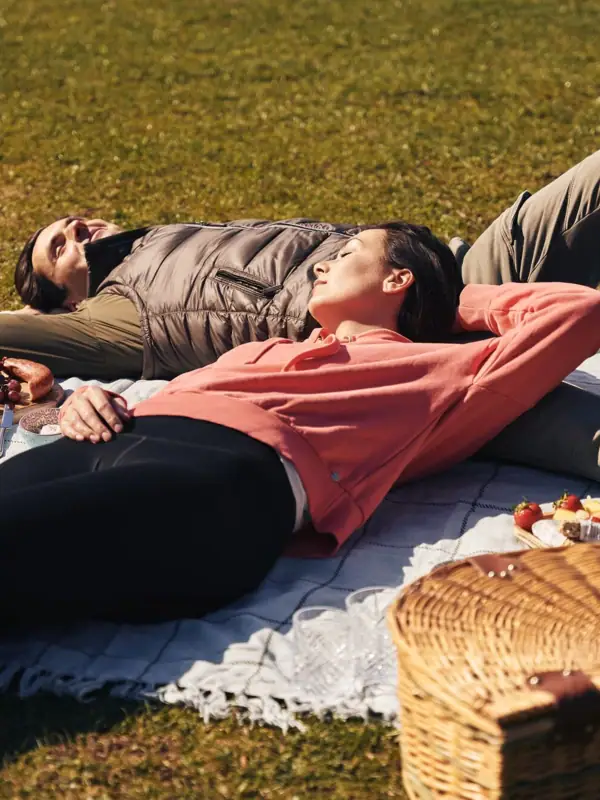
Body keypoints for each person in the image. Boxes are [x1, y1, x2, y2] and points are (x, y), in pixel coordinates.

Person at [1, 221, 600, 629]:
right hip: (114, 436)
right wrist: (59, 403)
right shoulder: (262, 350)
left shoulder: (448, 372)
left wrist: (450, 302)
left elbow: (578, 312)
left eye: (344, 256)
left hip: (224, 478)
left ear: (397, 280)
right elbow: (52, 420)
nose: (322, 266)